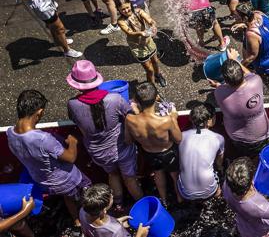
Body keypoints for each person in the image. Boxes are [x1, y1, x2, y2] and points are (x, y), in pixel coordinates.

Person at [7, 90, 91, 227]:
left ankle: (77, 221)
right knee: (86, 197)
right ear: (39, 112)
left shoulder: (11, 133)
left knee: (68, 197)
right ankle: (90, 221)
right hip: (67, 179)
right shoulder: (43, 139)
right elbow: (70, 158)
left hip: (43, 180)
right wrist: (73, 142)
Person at [66, 60, 143, 209]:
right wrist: (128, 136)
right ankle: (142, 205)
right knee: (130, 178)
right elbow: (131, 116)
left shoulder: (72, 104)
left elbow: (80, 126)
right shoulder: (114, 99)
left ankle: (118, 205)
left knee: (113, 174)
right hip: (122, 149)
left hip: (98, 152)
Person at [124, 82, 182, 205]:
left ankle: (164, 200)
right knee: (175, 175)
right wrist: (174, 118)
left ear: (136, 100)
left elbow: (128, 141)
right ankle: (179, 198)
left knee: (158, 173)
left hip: (148, 153)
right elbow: (178, 139)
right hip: (168, 152)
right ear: (156, 98)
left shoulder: (129, 120)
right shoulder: (166, 120)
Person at [213, 49, 269, 158]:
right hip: (266, 134)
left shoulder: (219, 93)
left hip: (241, 140)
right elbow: (249, 74)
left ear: (225, 80)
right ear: (242, 73)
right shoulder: (256, 81)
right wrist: (235, 60)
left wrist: (217, 85)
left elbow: (223, 89)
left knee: (249, 158)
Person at [234, 3, 269, 101]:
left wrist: (239, 65)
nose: (234, 16)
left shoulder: (251, 34)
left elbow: (252, 56)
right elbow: (256, 23)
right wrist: (244, 24)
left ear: (244, 18)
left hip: (267, 64)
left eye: (236, 15)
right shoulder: (259, 14)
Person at [115, 0, 165, 87]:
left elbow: (149, 20)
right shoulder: (121, 21)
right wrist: (141, 33)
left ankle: (158, 75)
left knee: (155, 61)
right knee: (149, 70)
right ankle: (152, 87)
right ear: (118, 10)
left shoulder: (139, 11)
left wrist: (153, 25)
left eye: (127, 7)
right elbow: (129, 32)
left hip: (148, 41)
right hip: (137, 47)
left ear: (130, 4)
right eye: (122, 9)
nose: (126, 11)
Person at [178, 103, 224, 200]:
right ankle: (217, 193)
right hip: (209, 191)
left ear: (191, 119)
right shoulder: (218, 138)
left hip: (186, 193)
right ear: (210, 121)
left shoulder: (181, 136)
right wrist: (219, 169)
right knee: (217, 172)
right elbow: (219, 163)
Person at [79, 184, 150, 237]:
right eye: (110, 197)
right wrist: (140, 234)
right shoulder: (117, 231)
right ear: (104, 210)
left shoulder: (83, 211)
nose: (112, 196)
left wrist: (116, 221)